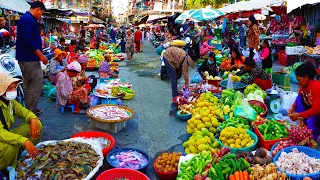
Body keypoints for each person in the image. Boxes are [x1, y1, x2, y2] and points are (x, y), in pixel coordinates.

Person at [0, 73, 42, 170]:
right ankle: (6, 167)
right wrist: (24, 141)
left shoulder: (10, 102)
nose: (14, 91)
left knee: (37, 124)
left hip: (6, 135)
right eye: (10, 88)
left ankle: (29, 155)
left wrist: (33, 119)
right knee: (10, 147)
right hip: (2, 137)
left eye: (14, 87)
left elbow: (24, 112)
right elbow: (1, 133)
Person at [16, 1, 48, 114]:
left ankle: (30, 109)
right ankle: (30, 111)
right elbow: (28, 40)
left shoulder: (28, 19)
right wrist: (40, 55)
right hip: (29, 58)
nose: (41, 16)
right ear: (38, 9)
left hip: (28, 57)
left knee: (29, 83)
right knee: (35, 83)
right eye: (42, 13)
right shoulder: (28, 20)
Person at [289, 62, 320, 141]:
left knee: (311, 123)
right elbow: (298, 98)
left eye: (299, 80)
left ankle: (314, 136)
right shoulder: (304, 86)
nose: (298, 83)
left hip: (317, 112)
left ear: (306, 77)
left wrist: (299, 115)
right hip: (311, 108)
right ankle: (306, 122)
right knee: (299, 99)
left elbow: (316, 109)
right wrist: (292, 107)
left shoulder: (316, 86)